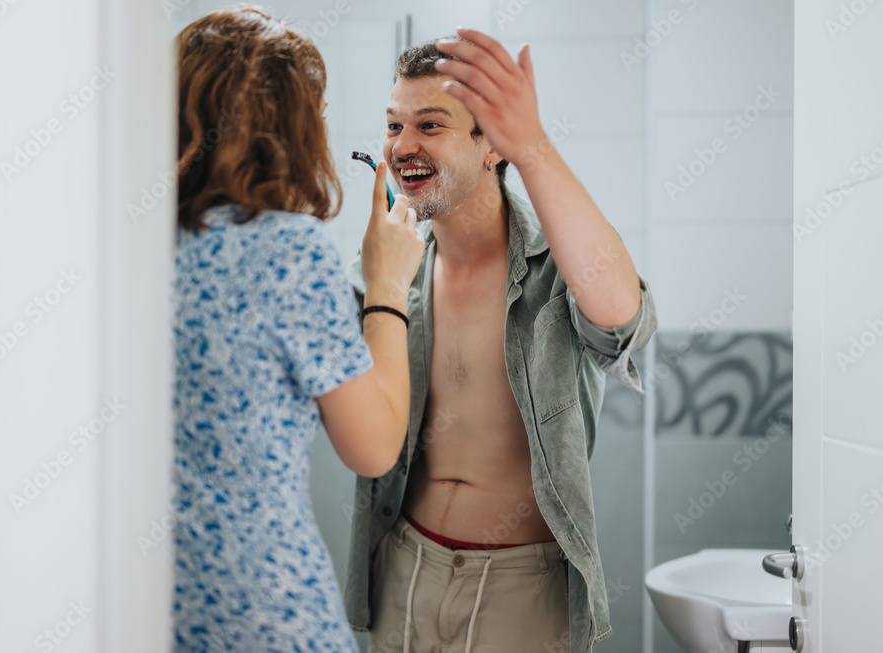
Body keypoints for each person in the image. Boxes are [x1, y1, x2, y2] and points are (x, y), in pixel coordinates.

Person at [343, 30, 658, 653]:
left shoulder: (554, 263)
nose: (403, 145)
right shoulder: (387, 271)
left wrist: (534, 145)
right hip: (402, 566)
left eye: (430, 126)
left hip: (522, 587)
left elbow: (622, 320)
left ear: (491, 146)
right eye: (393, 125)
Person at [170, 6, 425, 651]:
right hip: (264, 603)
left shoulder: (126, 252)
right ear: (286, 127)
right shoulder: (285, 249)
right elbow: (372, 448)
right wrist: (388, 282)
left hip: (153, 601)